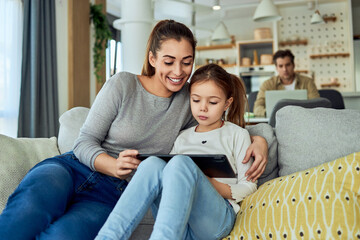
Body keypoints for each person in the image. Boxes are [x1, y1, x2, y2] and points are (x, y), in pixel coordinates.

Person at [0, 20, 267, 240]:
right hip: (72, 169)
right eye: (169, 61)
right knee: (25, 215)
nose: (178, 71)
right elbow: (84, 142)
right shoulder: (123, 85)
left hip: (112, 193)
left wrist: (259, 140)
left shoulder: (192, 100)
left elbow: (225, 122)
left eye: (186, 62)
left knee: (62, 236)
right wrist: (113, 164)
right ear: (152, 58)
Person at [96, 63, 257, 240]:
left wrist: (207, 183)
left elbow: (249, 187)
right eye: (196, 100)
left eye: (212, 102)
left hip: (216, 221)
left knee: (180, 162)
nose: (202, 108)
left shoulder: (237, 135)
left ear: (227, 103)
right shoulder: (182, 137)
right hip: (180, 223)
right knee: (152, 164)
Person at [253, 49, 320, 117]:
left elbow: (317, 105)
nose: (284, 69)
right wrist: (272, 113)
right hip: (276, 123)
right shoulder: (267, 85)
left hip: (303, 120)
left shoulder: (308, 82)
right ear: (276, 68)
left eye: (287, 65)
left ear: (293, 65)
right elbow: (257, 108)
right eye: (281, 66)